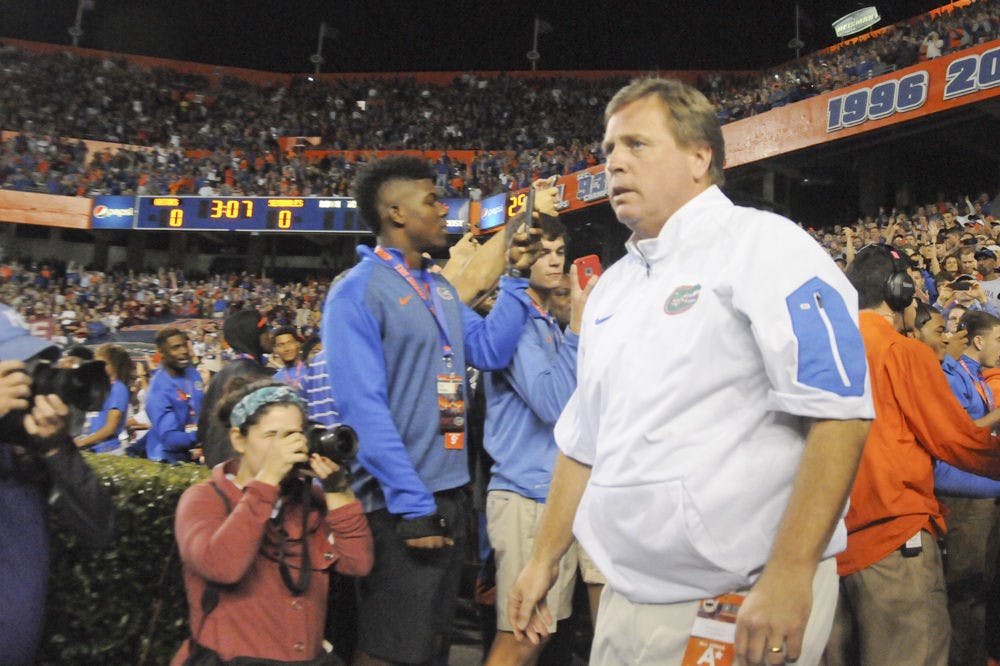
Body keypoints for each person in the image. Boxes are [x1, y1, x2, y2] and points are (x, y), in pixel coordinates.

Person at [506, 78, 874, 666]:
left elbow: (840, 413)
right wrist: (542, 559)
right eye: (607, 151)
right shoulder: (611, 289)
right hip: (629, 594)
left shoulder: (767, 246)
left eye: (637, 145)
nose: (615, 163)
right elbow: (583, 441)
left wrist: (790, 571)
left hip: (740, 593)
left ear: (701, 157)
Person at [321, 155, 539, 666]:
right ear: (395, 212)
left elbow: (489, 350)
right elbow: (362, 411)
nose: (445, 209)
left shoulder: (438, 287)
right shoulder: (356, 291)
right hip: (400, 507)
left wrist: (514, 278)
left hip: (451, 497)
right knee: (390, 650)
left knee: (433, 648)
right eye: (432, 200)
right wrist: (413, 505)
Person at [824, 246, 1000, 665]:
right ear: (897, 290)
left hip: (827, 542)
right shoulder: (902, 351)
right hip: (892, 537)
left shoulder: (823, 347)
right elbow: (956, 440)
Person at [171, 379, 373, 665]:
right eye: (272, 435)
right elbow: (222, 566)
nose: (285, 447)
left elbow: (357, 563)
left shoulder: (308, 500)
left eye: (293, 434)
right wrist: (267, 480)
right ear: (239, 439)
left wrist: (337, 488)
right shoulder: (203, 500)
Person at [482, 214, 603, 665]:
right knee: (521, 636)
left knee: (538, 635)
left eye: (558, 252)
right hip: (526, 495)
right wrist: (578, 329)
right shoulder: (517, 324)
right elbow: (556, 406)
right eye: (540, 252)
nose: (553, 262)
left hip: (550, 499)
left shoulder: (545, 323)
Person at [0, 304, 114, 665]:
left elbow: (100, 531)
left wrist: (57, 448)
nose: (30, 383)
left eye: (34, 368)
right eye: (14, 369)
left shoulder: (26, 444)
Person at [200, 309, 274, 467]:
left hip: (219, 470)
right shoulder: (254, 375)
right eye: (265, 330)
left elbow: (203, 429)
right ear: (252, 335)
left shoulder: (220, 375)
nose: (270, 335)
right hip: (242, 470)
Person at [145, 327, 204, 463]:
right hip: (167, 460)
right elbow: (170, 439)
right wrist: (204, 435)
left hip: (193, 453)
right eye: (176, 347)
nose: (184, 351)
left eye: (184, 345)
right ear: (161, 352)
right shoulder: (158, 390)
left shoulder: (193, 374)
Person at [74, 343, 132, 453]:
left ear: (114, 365)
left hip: (108, 451)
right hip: (92, 449)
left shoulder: (118, 389)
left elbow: (111, 427)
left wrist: (83, 442)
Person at [271, 325, 307, 396]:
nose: (286, 349)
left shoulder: (312, 370)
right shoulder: (275, 380)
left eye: (290, 343)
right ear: (275, 350)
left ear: (298, 344)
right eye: (280, 345)